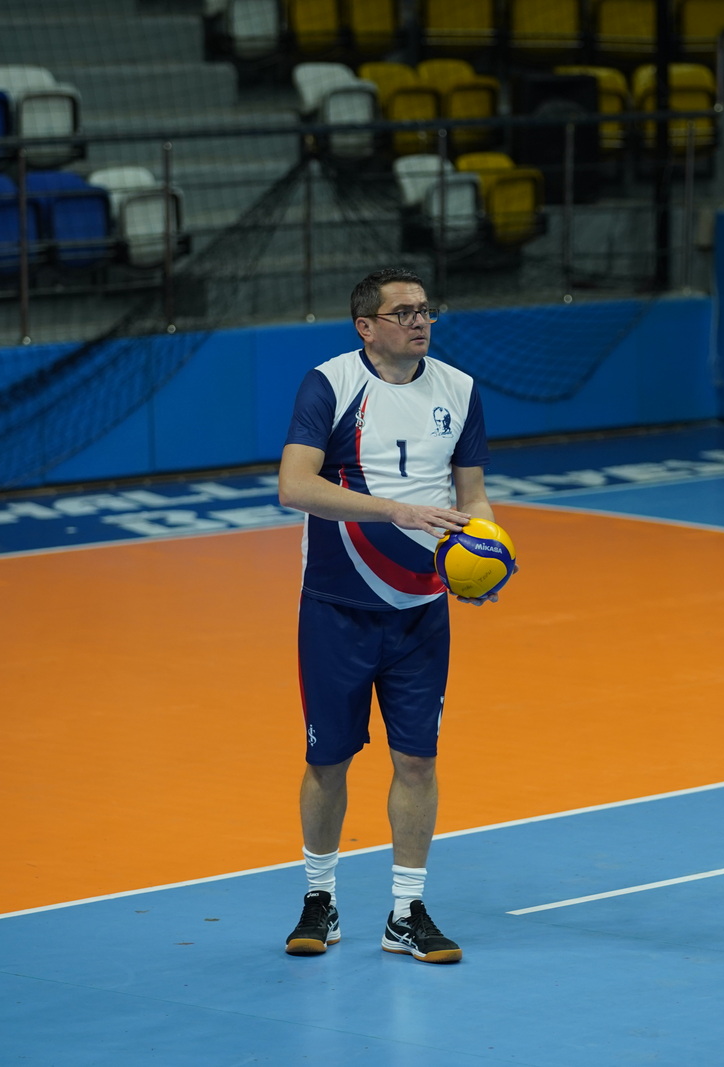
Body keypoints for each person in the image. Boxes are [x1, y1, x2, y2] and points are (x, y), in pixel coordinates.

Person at [275, 267, 497, 965]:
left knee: (418, 761)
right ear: (366, 327)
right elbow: (294, 487)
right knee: (328, 759)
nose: (420, 321)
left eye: (426, 310)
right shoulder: (332, 383)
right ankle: (319, 897)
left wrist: (485, 553)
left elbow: (473, 496)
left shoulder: (459, 389)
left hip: (421, 611)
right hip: (336, 608)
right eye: (403, 312)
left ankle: (406, 911)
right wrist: (396, 511)